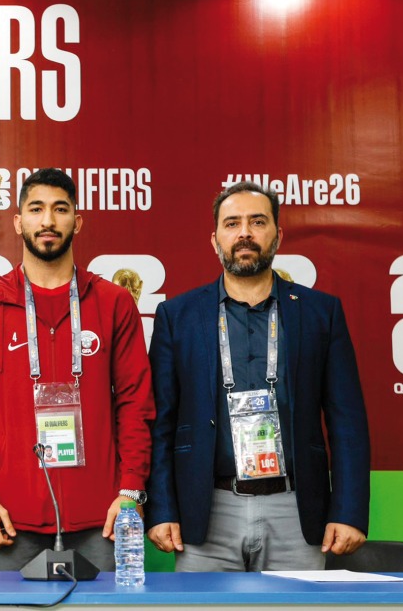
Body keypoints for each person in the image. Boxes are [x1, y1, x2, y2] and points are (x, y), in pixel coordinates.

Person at [146, 181, 370, 572]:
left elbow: (346, 421)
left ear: (278, 236)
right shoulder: (178, 316)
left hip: (296, 511)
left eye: (258, 222)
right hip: (206, 512)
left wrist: (349, 510)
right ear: (214, 239)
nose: (245, 233)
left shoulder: (320, 313)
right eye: (232, 224)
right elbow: (160, 422)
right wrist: (162, 507)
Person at [0, 168, 155, 572]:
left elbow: (136, 404)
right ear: (18, 221)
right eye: (36, 209)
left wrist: (130, 489)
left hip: (103, 519)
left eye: (60, 209)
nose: (48, 221)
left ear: (77, 221)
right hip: (10, 519)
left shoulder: (113, 303)